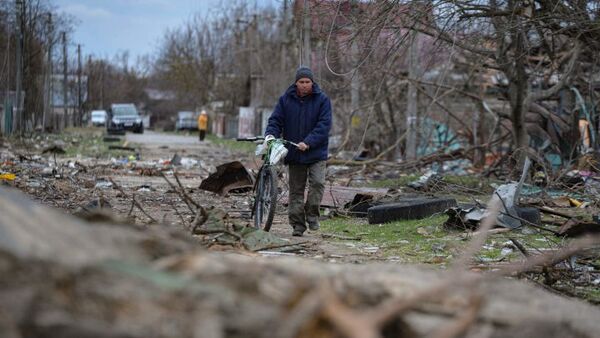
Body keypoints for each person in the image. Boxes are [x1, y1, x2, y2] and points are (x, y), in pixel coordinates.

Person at [265, 66, 332, 237]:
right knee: (296, 190)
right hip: (294, 153)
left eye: (307, 82)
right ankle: (297, 225)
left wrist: (308, 142)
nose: (304, 85)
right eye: (301, 82)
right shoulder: (285, 100)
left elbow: (324, 125)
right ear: (296, 83)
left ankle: (312, 215)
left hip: (316, 152)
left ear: (312, 82)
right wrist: (271, 136)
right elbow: (275, 120)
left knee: (317, 183)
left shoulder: (322, 100)